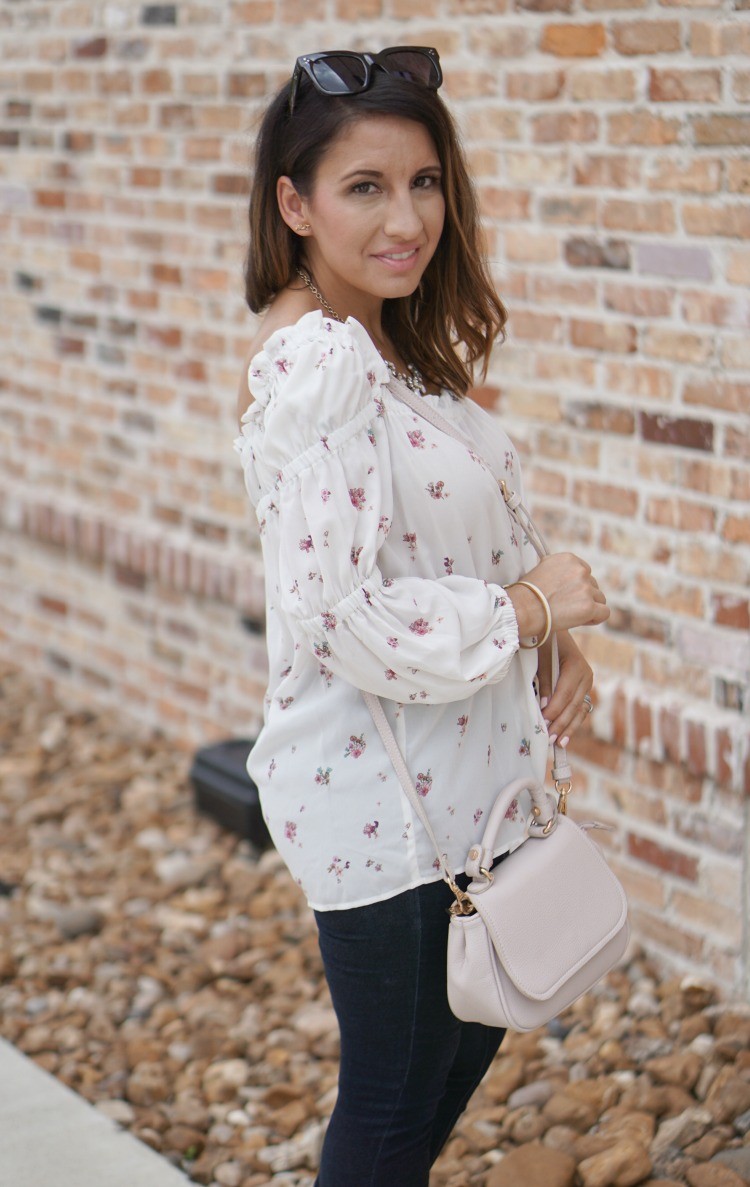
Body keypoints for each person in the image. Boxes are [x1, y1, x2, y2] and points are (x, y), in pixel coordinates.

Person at [233, 47, 609, 1187]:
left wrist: (553, 629)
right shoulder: (318, 364)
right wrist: (528, 604)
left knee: (459, 1052)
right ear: (292, 204)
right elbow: (341, 613)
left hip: (466, 797)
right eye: (366, 187)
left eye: (427, 182)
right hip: (387, 822)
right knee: (392, 1112)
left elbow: (451, 514)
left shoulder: (388, 346)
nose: (408, 218)